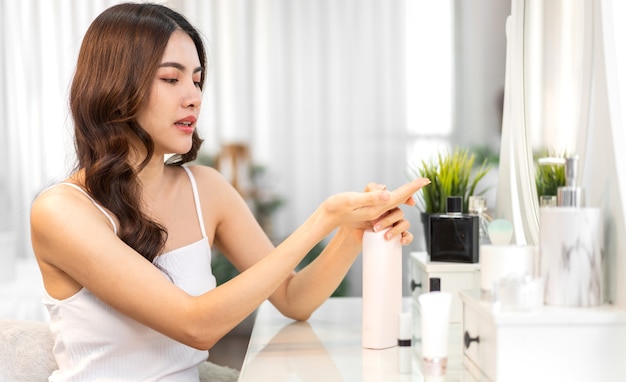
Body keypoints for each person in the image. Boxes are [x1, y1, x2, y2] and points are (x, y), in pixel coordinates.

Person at [29, 3, 430, 381]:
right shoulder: (62, 211)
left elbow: (293, 298)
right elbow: (195, 324)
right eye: (171, 79)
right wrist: (321, 219)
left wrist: (349, 231)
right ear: (115, 87)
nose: (194, 97)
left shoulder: (206, 189)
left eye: (197, 80)